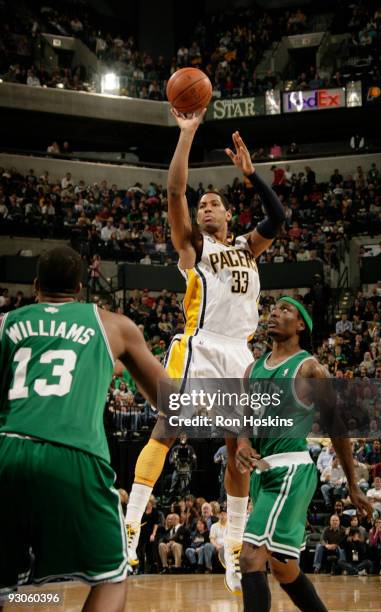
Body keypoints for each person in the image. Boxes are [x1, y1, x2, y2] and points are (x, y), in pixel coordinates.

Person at [125, 111, 285, 596]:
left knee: (240, 450)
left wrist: (253, 175)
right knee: (169, 426)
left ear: (229, 215)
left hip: (241, 354)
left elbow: (278, 218)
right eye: (204, 205)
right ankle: (130, 529)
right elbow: (175, 193)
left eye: (216, 202)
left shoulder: (245, 247)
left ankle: (233, 550)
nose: (208, 206)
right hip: (201, 343)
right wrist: (187, 134)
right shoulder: (192, 246)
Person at [0, 247, 169, 611]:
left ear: (34, 287)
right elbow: (169, 400)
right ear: (80, 288)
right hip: (74, 455)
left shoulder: (6, 324)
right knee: (112, 577)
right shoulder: (112, 324)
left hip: (7, 452)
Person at [233, 297, 373, 612]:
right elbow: (243, 419)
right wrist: (243, 444)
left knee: (250, 557)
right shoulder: (251, 369)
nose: (274, 313)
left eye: (286, 310)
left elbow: (336, 427)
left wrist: (352, 485)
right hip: (262, 473)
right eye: (273, 309)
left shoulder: (310, 368)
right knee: (284, 568)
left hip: (290, 471)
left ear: (300, 325)